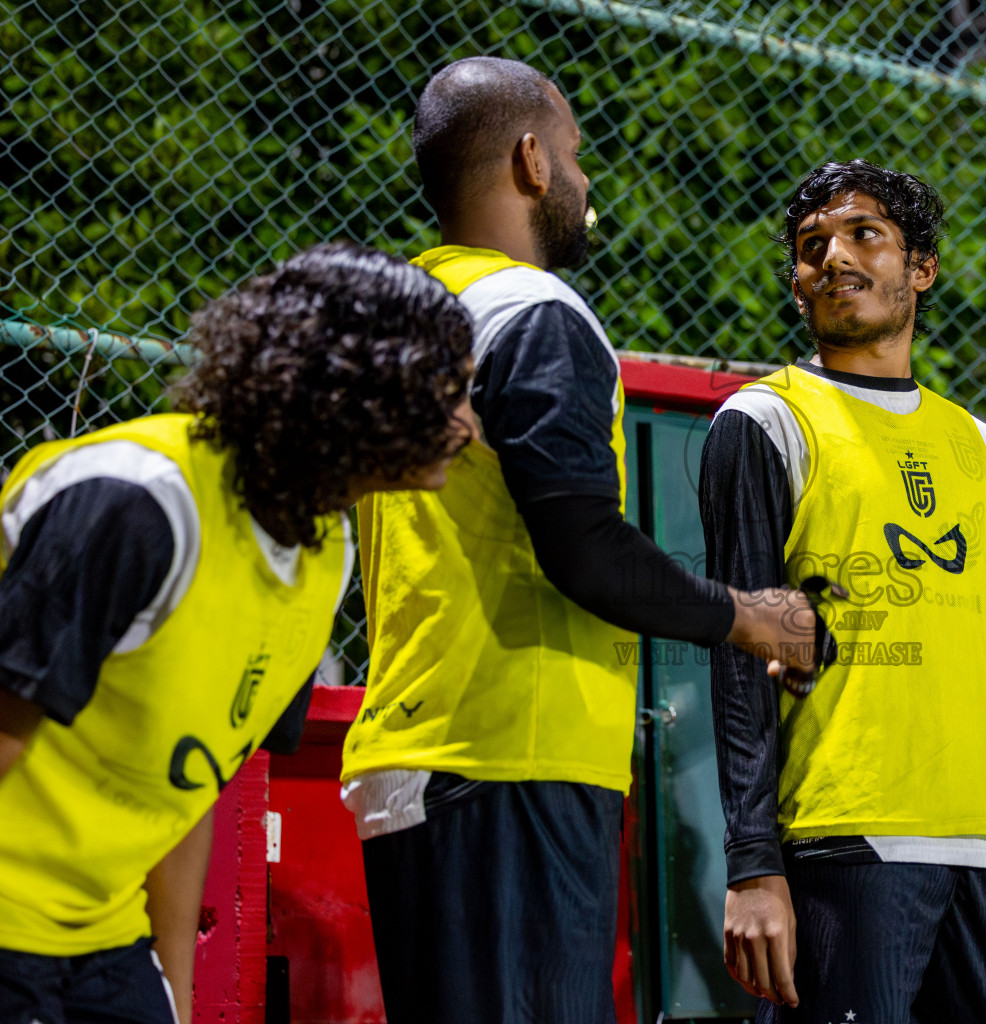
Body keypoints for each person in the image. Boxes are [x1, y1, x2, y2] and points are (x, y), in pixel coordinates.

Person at [338, 57, 822, 1024]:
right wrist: (749, 618)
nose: (586, 178)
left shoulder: (400, 317)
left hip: (429, 758)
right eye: (574, 152)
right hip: (508, 760)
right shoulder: (535, 314)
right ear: (530, 162)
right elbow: (583, 546)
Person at [0, 242, 475, 1024]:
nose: (466, 420)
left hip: (104, 939)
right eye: (449, 390)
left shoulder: (322, 553)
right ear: (359, 388)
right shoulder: (139, 507)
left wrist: (174, 991)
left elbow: (193, 784)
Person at [699, 159, 986, 1024]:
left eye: (864, 234)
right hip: (841, 848)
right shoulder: (764, 422)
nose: (833, 256)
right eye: (811, 245)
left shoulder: (984, 449)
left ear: (922, 269)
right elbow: (738, 663)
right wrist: (754, 862)